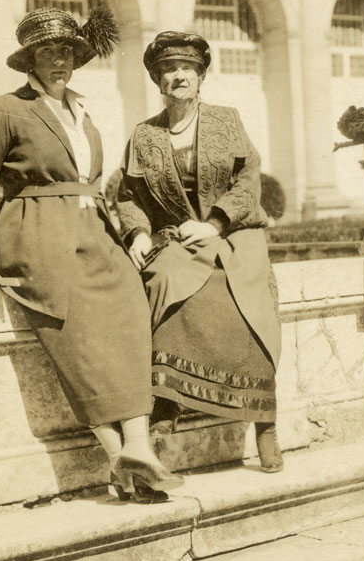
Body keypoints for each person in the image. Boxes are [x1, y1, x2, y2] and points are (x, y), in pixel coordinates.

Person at [0, 8, 183, 502]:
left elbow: (99, 183)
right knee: (76, 338)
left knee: (130, 313)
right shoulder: (5, 110)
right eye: (45, 52)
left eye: (64, 50)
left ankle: (137, 451)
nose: (57, 59)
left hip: (95, 230)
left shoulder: (82, 110)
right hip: (39, 232)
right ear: (29, 61)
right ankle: (121, 456)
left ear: (75, 58)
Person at [116, 31, 284, 472]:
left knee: (247, 293)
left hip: (232, 232)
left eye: (187, 69)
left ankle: (264, 421)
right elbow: (128, 194)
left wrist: (214, 222)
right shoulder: (144, 134)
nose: (179, 76)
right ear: (158, 80)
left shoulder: (227, 120)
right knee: (165, 281)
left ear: (201, 76)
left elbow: (249, 180)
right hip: (179, 238)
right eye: (169, 70)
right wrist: (136, 233)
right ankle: (166, 407)